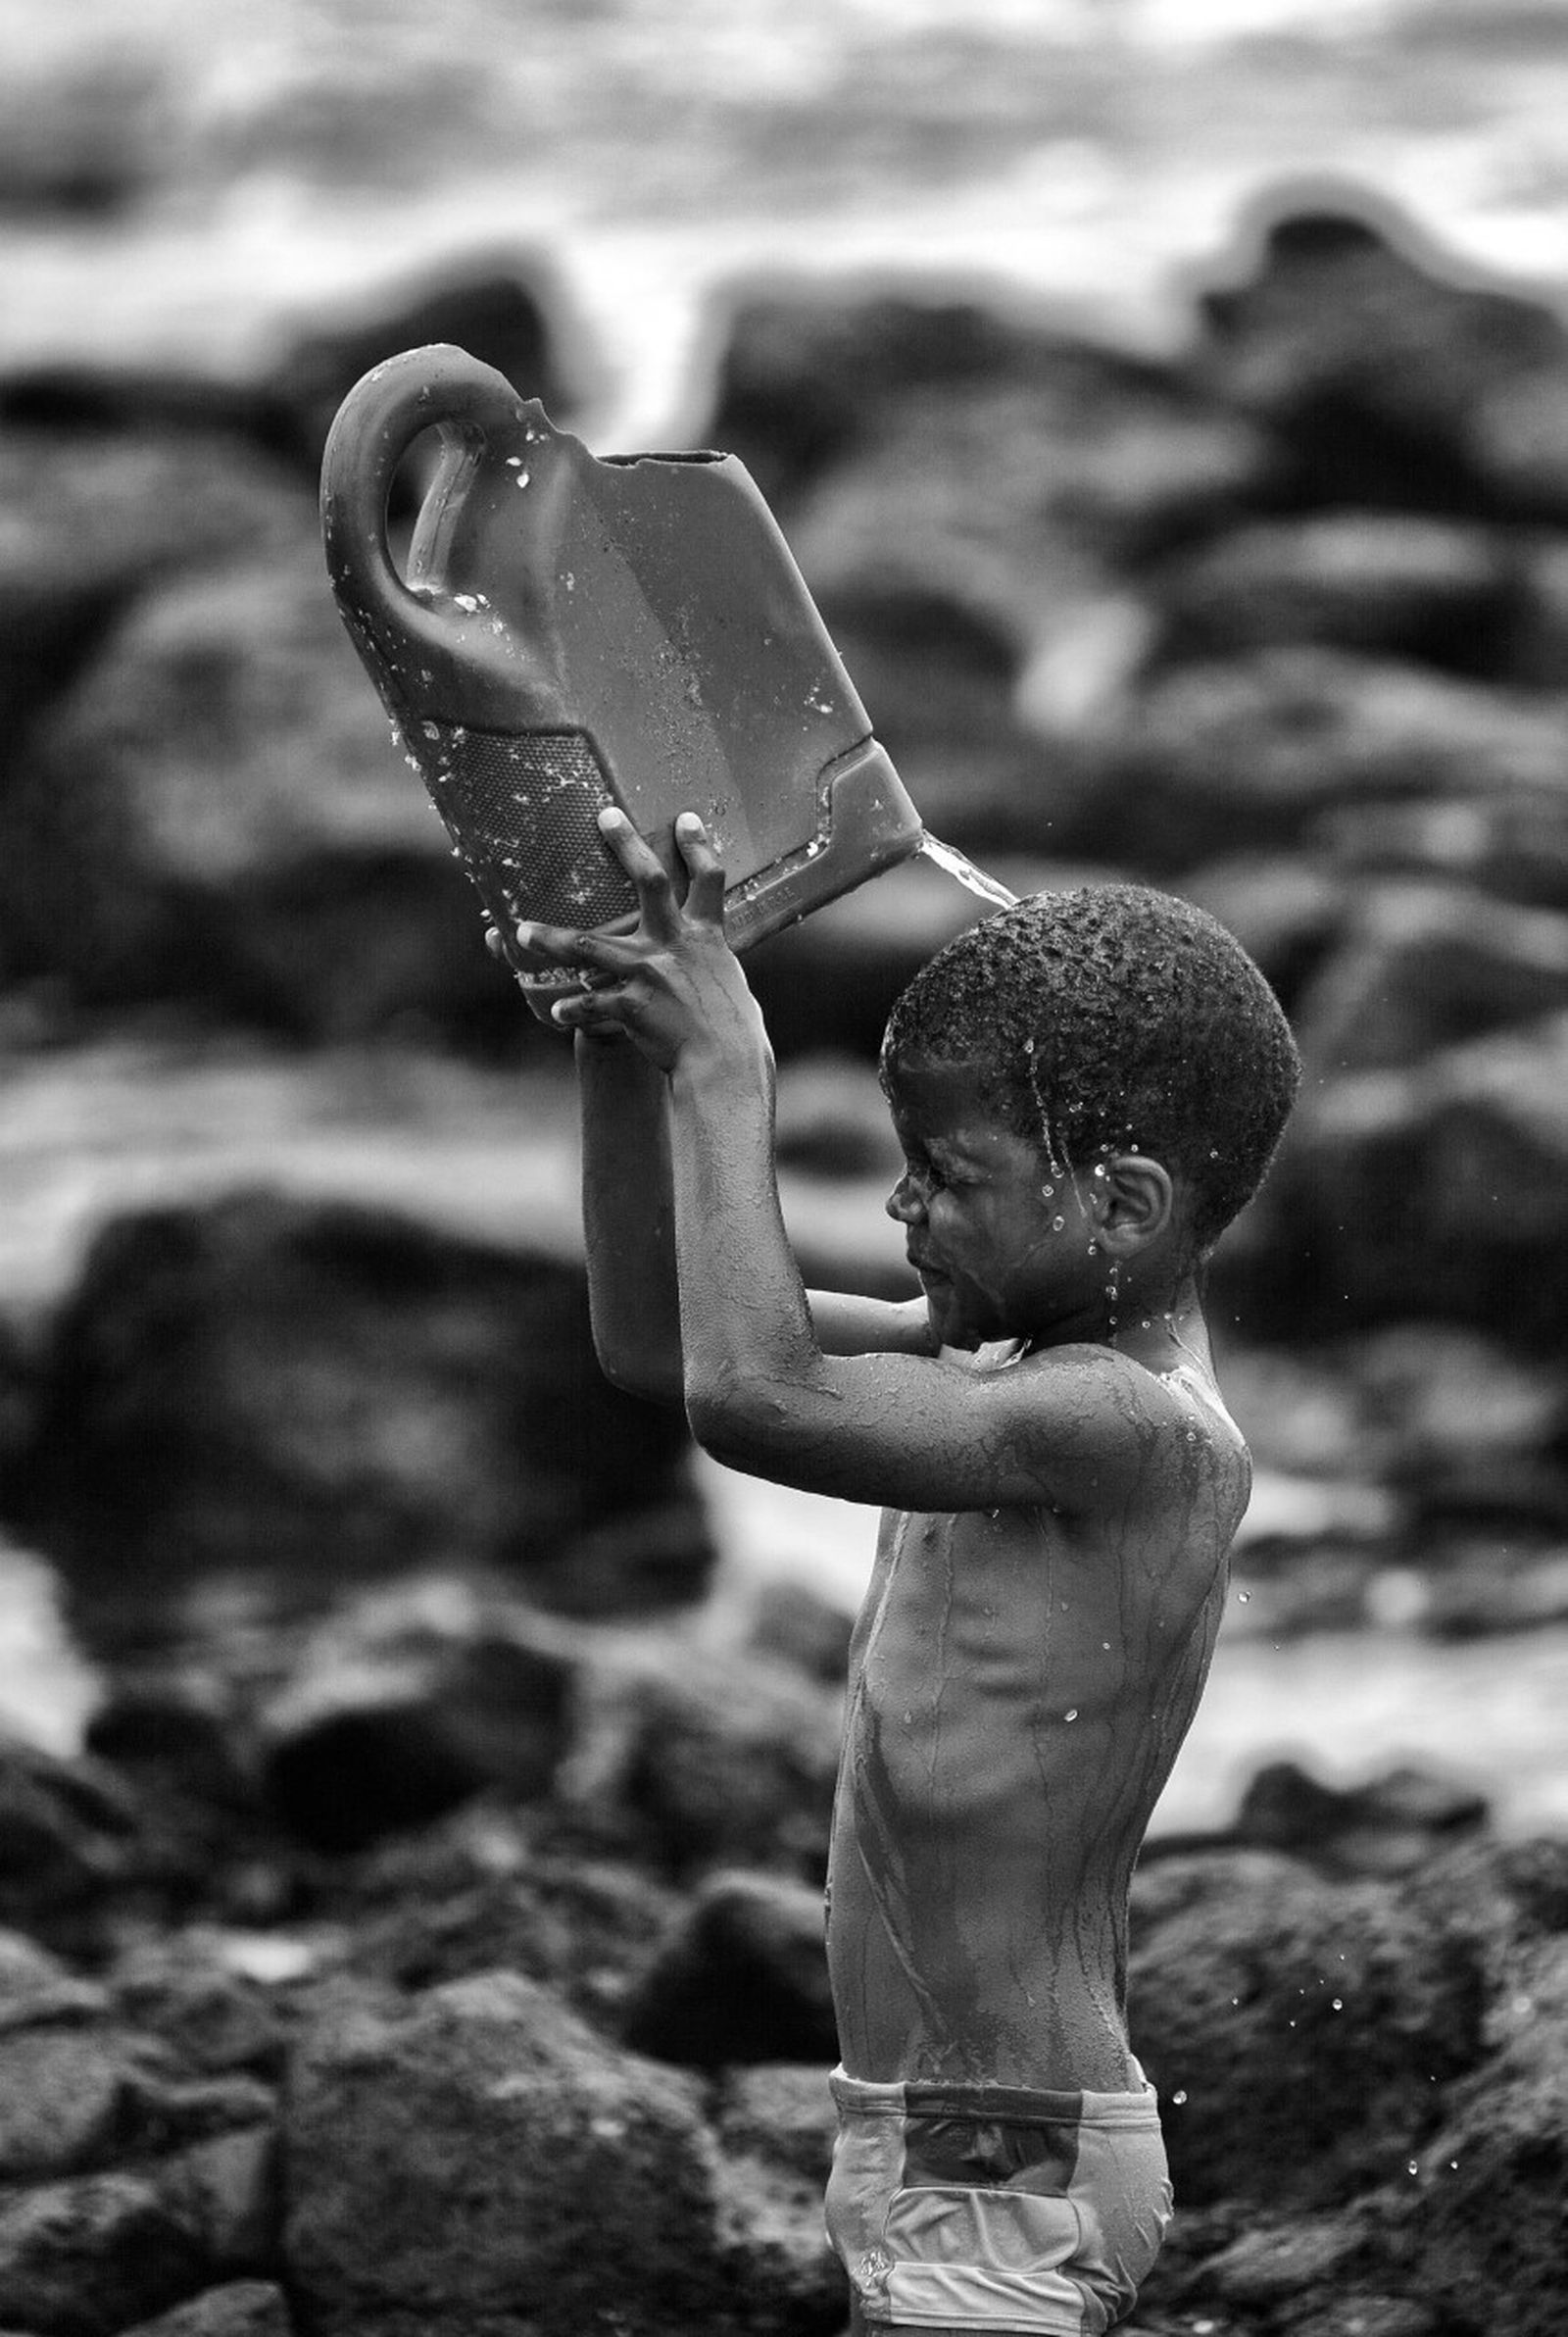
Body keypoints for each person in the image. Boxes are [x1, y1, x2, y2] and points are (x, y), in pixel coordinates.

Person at [502, 806, 1300, 2337]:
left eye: (945, 1172)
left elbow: (756, 1400)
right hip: (930, 2127)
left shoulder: (1128, 1429)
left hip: (1006, 2157)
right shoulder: (999, 1360)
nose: (900, 1207)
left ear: (1123, 1204)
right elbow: (661, 1345)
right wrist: (629, 1047)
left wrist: (735, 1063)